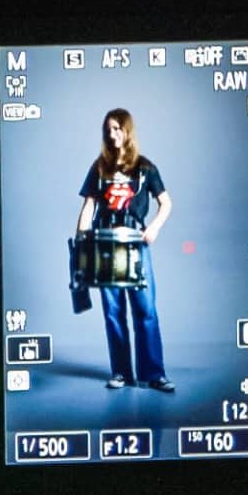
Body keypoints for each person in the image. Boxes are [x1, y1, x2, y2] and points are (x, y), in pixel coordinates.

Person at [74, 106, 173, 392]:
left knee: (145, 309)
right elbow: (89, 205)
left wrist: (153, 228)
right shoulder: (100, 167)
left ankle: (154, 374)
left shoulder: (144, 167)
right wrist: (82, 240)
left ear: (127, 130)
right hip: (105, 246)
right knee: (113, 311)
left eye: (117, 128)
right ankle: (121, 372)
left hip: (135, 244)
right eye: (108, 129)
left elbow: (166, 203)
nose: (112, 134)